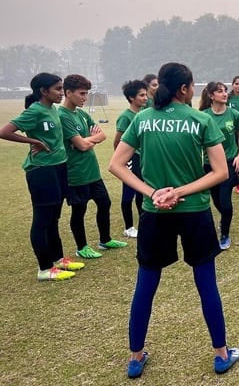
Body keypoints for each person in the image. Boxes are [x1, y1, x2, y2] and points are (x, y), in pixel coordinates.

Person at [109, 63, 239, 377]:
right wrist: (177, 192)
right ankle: (221, 354)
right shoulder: (201, 120)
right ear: (184, 88)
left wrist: (154, 193)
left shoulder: (142, 119)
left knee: (146, 285)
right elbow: (221, 172)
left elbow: (116, 165)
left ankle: (135, 357)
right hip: (194, 212)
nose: (194, 90)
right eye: (193, 85)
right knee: (206, 282)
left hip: (154, 214)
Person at [0, 73, 85, 280]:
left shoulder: (53, 109)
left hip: (57, 168)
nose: (60, 92)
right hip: (41, 171)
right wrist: (34, 142)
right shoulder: (35, 111)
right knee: (42, 219)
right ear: (43, 91)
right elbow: (4, 131)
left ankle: (57, 260)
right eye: (57, 89)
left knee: (54, 217)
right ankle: (44, 269)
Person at [59, 74, 127, 259]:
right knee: (79, 210)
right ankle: (82, 247)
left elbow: (101, 135)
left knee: (104, 203)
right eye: (81, 93)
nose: (84, 97)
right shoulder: (62, 116)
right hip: (76, 173)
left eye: (86, 93)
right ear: (68, 92)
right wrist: (86, 141)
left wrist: (87, 140)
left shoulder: (81, 113)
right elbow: (80, 146)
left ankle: (105, 239)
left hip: (93, 172)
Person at [200, 81, 239, 250]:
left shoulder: (234, 114)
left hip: (229, 163)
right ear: (211, 95)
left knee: (225, 202)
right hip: (209, 164)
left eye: (225, 91)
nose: (225, 93)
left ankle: (225, 233)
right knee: (216, 200)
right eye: (220, 91)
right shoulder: (203, 116)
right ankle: (223, 220)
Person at [114, 80, 149, 238]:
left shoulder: (144, 115)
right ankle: (128, 227)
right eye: (141, 95)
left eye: (146, 94)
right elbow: (118, 141)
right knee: (128, 193)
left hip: (142, 159)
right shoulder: (125, 117)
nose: (145, 98)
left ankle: (143, 223)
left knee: (142, 192)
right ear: (131, 97)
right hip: (131, 158)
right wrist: (124, 159)